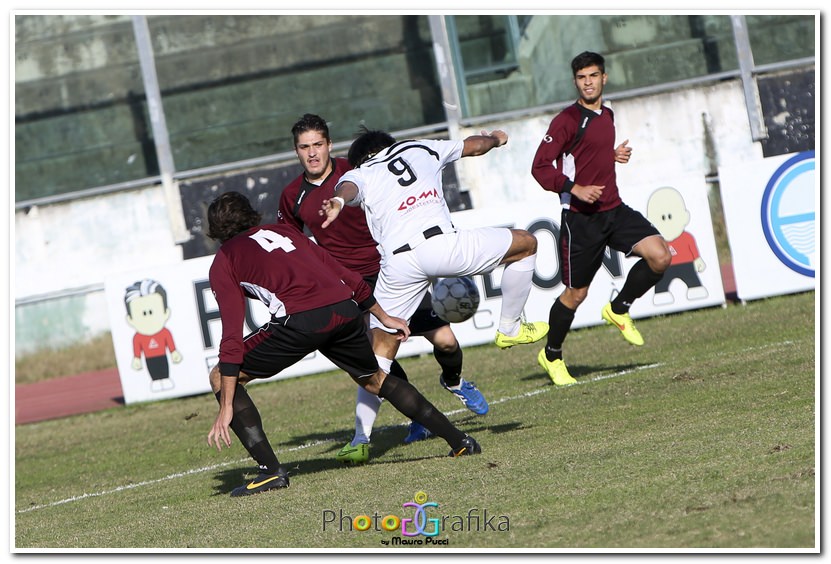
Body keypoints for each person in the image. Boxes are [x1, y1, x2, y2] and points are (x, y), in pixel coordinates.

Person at [205, 191, 481, 497]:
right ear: (251, 214)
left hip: (301, 320)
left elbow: (231, 335)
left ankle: (271, 472)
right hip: (344, 309)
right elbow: (341, 272)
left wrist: (226, 405)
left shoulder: (224, 259)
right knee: (376, 379)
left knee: (221, 375)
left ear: (215, 232)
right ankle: (460, 442)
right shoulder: (284, 231)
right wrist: (382, 315)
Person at [277, 113, 488, 465]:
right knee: (377, 358)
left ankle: (454, 381)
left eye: (317, 145)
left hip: (395, 269)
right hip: (348, 287)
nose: (312, 153)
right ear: (296, 151)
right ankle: (412, 420)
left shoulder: (361, 169)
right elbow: (292, 243)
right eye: (304, 147)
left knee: (446, 341)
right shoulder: (292, 196)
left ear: (329, 145)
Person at [319, 127, 549, 399]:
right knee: (526, 244)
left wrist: (338, 200)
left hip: (399, 264)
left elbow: (349, 188)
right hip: (443, 247)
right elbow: (474, 146)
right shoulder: (419, 147)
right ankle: (510, 327)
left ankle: (363, 435)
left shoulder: (361, 172)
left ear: (359, 159)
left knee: (378, 359)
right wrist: (496, 139)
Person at [530, 51, 671, 386]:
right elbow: (540, 167)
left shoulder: (607, 114)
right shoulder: (565, 120)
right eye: (581, 77)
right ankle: (551, 355)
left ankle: (619, 308)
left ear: (604, 78)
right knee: (575, 294)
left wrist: (611, 156)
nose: (588, 82)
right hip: (581, 220)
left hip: (614, 210)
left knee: (660, 256)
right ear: (575, 81)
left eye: (593, 75)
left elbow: (587, 153)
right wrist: (574, 188)